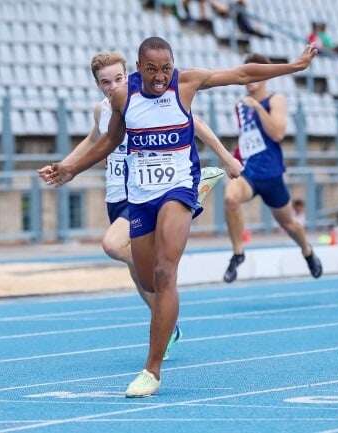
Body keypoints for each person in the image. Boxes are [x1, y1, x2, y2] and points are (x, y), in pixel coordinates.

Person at [43, 37, 318, 397]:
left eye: (166, 69)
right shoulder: (123, 97)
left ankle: (151, 370)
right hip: (140, 197)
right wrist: (71, 168)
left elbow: (241, 72)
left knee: (164, 271)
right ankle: (165, 321)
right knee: (148, 281)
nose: (160, 77)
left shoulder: (185, 83)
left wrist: (293, 67)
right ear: (139, 69)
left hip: (176, 188)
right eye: (152, 70)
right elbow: (110, 141)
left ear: (174, 66)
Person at [37, 52, 235, 360]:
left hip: (142, 191)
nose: (112, 85)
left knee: (113, 245)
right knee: (140, 277)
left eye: (118, 78)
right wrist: (65, 165)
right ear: (97, 84)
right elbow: (93, 141)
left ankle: (165, 307)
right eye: (105, 82)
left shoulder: (144, 100)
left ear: (128, 75)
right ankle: (168, 321)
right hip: (115, 195)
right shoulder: (102, 110)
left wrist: (225, 156)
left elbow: (193, 123)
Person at [222, 53, 323, 284]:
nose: (250, 79)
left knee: (289, 224)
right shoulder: (239, 106)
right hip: (249, 172)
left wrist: (257, 107)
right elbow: (247, 138)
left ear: (265, 75)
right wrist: (233, 160)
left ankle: (307, 250)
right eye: (247, 74)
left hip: (271, 174)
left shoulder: (275, 100)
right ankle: (238, 253)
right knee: (230, 197)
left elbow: (277, 133)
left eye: (256, 74)